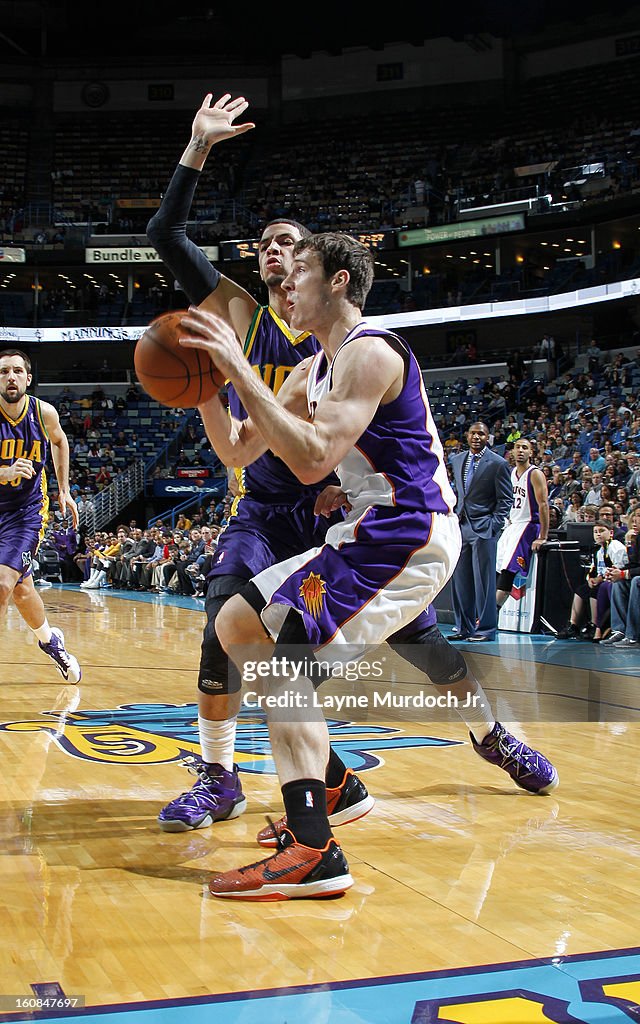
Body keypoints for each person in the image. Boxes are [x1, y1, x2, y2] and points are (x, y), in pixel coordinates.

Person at [179, 231, 558, 901]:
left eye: (301, 274)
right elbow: (239, 451)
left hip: (408, 534)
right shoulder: (308, 371)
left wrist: (236, 366)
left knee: (287, 664)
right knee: (237, 625)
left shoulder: (371, 353)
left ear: (340, 283)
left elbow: (311, 458)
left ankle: (313, 848)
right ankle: (335, 790)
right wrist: (205, 388)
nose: (287, 287)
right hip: (365, 533)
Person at [148, 93, 374, 833]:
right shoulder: (240, 312)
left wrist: (362, 498)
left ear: (316, 262)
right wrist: (198, 146)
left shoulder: (340, 334)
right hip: (265, 510)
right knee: (223, 623)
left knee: (415, 645)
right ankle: (221, 774)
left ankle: (486, 735)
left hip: (332, 512)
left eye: (287, 241)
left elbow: (376, 436)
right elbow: (165, 232)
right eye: (264, 242)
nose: (271, 249)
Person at [0, 349, 81, 683]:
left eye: (17, 371)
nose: (10, 377)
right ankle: (51, 642)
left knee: (2, 583)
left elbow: (60, 442)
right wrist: (3, 473)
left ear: (28, 378)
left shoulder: (43, 412)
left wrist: (63, 489)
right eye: (4, 372)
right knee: (20, 590)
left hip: (25, 513)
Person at [449, 422, 513, 642]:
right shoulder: (457, 460)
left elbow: (506, 499)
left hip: (484, 528)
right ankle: (463, 627)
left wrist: (494, 525)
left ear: (488, 437)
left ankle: (486, 629)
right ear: (467, 436)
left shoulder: (498, 463)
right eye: (473, 433)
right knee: (460, 581)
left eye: (481, 434)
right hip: (461, 526)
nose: (477, 437)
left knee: (484, 582)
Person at [496, 438, 549, 610]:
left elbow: (543, 504)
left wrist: (543, 536)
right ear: (511, 451)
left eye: (524, 448)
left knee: (507, 571)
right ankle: (484, 612)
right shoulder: (511, 473)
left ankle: (486, 617)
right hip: (513, 526)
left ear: (531, 452)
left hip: (528, 525)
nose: (520, 450)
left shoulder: (535, 473)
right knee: (497, 566)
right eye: (517, 447)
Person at [556, 519, 628, 640]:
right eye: (595, 532)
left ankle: (595, 625)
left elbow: (619, 567)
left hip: (613, 580)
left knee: (595, 591)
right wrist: (591, 579)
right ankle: (573, 625)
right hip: (602, 579)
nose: (598, 534)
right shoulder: (598, 551)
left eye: (601, 531)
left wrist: (600, 579)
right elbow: (593, 570)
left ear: (610, 533)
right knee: (581, 590)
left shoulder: (615, 546)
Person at [602, 507, 640, 648]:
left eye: (639, 516)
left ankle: (633, 636)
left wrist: (625, 574)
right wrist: (617, 572)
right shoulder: (637, 538)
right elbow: (635, 564)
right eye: (634, 516)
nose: (635, 520)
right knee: (619, 582)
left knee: (636, 581)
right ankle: (620, 631)